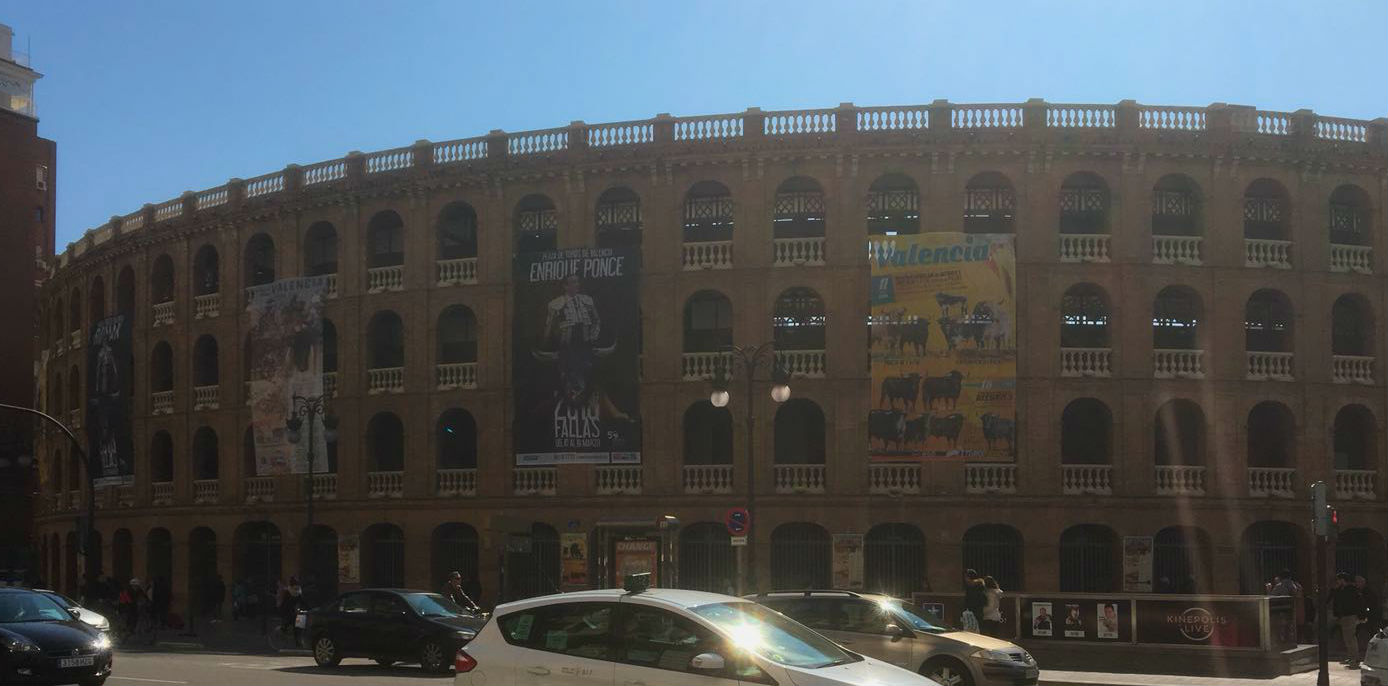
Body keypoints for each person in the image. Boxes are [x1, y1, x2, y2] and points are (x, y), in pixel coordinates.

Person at [1330, 572, 1364, 668]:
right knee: (1347, 638)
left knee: (1350, 638)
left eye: (1338, 580)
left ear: (1342, 580)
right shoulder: (1342, 589)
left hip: (1350, 615)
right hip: (1345, 616)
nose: (1337, 582)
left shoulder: (1351, 589)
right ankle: (1351, 656)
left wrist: (1360, 616)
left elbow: (1356, 603)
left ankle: (1355, 658)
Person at [1357, 576, 1380, 652]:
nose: (1356, 584)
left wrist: (1366, 612)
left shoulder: (1368, 592)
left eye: (1358, 582)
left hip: (1370, 615)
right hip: (1366, 615)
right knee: (1367, 631)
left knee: (1372, 631)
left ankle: (1375, 648)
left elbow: (1370, 604)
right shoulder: (1361, 591)